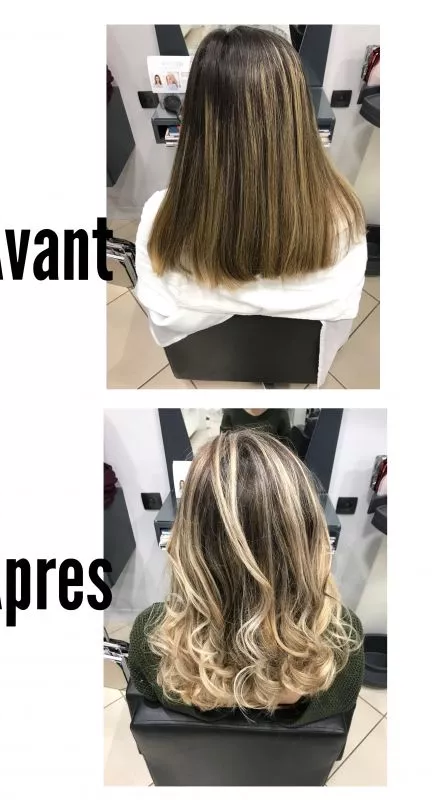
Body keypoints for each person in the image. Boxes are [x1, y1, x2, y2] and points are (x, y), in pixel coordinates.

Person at [134, 27, 368, 386]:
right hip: (295, 362)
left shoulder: (159, 215)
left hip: (208, 361)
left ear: (195, 117)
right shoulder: (343, 217)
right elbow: (339, 313)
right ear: (297, 113)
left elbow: (159, 306)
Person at [129, 429, 364, 725]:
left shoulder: (151, 639)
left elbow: (153, 706)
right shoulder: (342, 643)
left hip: (201, 754)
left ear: (187, 542)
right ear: (309, 539)